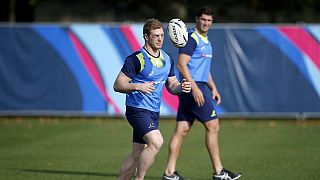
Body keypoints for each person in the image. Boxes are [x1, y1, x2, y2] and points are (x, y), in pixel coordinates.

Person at [162, 6, 241, 180]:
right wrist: (196, 88)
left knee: (182, 129)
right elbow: (182, 64)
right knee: (213, 126)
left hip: (198, 87)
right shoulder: (191, 38)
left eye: (209, 20)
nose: (206, 23)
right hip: (193, 88)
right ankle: (219, 172)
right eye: (203, 19)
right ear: (197, 19)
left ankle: (169, 173)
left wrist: (213, 88)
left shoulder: (206, 40)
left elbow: (204, 69)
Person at [113, 18, 191, 180]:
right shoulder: (136, 59)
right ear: (146, 37)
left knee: (136, 154)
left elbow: (172, 85)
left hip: (153, 112)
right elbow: (118, 84)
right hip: (137, 110)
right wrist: (138, 86)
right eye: (156, 36)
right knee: (156, 142)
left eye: (162, 35)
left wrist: (181, 87)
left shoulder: (167, 58)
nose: (160, 39)